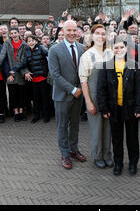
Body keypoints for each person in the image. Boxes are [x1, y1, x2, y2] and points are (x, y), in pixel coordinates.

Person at [96, 37, 140, 176]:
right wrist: (104, 108)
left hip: (130, 108)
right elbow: (101, 89)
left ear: (126, 49)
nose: (118, 50)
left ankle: (133, 163)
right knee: (117, 139)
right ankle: (118, 163)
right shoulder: (106, 66)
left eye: (121, 47)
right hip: (113, 108)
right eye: (115, 48)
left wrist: (139, 107)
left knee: (132, 138)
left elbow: (139, 89)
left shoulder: (134, 65)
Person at [48, 20, 86, 170]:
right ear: (62, 31)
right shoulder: (54, 50)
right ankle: (64, 154)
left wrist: (81, 89)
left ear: (77, 32)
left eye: (74, 30)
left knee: (75, 125)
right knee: (62, 126)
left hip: (79, 95)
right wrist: (72, 89)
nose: (71, 33)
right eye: (68, 30)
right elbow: (55, 75)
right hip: (62, 96)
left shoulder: (83, 48)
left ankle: (73, 149)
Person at [78, 24, 114, 168]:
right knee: (96, 128)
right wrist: (88, 102)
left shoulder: (111, 54)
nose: (100, 36)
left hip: (109, 97)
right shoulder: (87, 55)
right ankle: (97, 155)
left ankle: (107, 154)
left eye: (103, 33)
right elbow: (83, 81)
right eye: (97, 33)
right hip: (93, 96)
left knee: (108, 128)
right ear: (92, 36)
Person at [0, 28, 28, 122]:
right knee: (12, 93)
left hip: (20, 71)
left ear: (19, 34)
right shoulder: (7, 44)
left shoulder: (24, 44)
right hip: (10, 72)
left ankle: (21, 112)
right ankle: (15, 113)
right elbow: (1, 56)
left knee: (21, 93)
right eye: (12, 33)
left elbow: (24, 60)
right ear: (9, 35)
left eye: (15, 33)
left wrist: (19, 70)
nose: (14, 35)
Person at [11, 35, 51, 123]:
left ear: (36, 41)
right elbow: (24, 63)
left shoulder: (42, 49)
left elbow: (50, 58)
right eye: (29, 41)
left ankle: (46, 115)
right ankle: (37, 115)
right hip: (34, 79)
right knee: (36, 99)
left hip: (43, 78)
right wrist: (14, 69)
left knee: (44, 98)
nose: (31, 42)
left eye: (32, 40)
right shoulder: (27, 51)